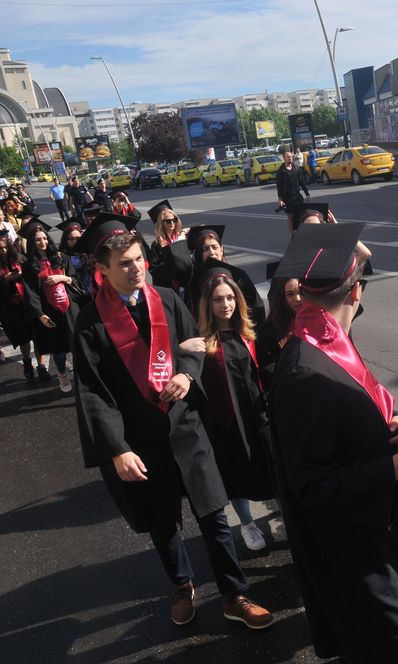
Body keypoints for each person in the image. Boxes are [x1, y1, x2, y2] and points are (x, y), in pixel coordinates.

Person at [72, 215, 274, 629]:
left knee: (214, 514)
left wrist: (186, 374)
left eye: (138, 259)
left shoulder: (165, 298)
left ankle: (234, 594)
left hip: (186, 427)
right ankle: (182, 585)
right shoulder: (90, 323)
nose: (136, 268)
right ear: (103, 269)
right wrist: (117, 449)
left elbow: (193, 346)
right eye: (124, 263)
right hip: (140, 438)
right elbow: (92, 392)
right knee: (162, 522)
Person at [268, 223, 398, 662]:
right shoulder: (305, 372)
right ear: (356, 292)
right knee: (394, 649)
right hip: (353, 549)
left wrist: (397, 422)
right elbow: (311, 485)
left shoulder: (327, 337)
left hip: (380, 524)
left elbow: (354, 412)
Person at [194, 260, 275, 553]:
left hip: (257, 416)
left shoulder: (250, 333)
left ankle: (286, 513)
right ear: (208, 303)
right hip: (225, 422)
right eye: (218, 299)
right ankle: (247, 523)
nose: (225, 304)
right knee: (235, 475)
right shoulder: (201, 342)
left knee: (271, 467)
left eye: (230, 298)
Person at [19, 217, 73, 392]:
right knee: (58, 349)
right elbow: (30, 291)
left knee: (76, 343)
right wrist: (40, 313)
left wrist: (61, 277)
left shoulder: (60, 257)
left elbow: (73, 279)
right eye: (38, 240)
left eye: (44, 238)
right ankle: (63, 375)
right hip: (50, 310)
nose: (42, 242)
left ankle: (82, 376)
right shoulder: (29, 266)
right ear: (32, 243)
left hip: (69, 308)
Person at [185, 224, 264, 327]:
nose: (212, 252)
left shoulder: (239, 276)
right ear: (199, 253)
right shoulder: (194, 281)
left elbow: (256, 308)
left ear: (221, 250)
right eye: (205, 249)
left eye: (215, 247)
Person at [256, 261, 302, 390]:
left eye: (301, 292)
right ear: (282, 298)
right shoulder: (268, 331)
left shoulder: (316, 321)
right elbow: (268, 370)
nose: (298, 298)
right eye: (290, 294)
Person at [0, 227, 35, 377]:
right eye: (0, 249)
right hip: (10, 306)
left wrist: (21, 273)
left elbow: (31, 273)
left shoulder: (18, 257)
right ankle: (27, 362)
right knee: (23, 337)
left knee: (37, 334)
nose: (4, 250)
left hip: (26, 301)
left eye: (5, 247)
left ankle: (40, 366)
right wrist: (4, 279)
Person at [147, 200, 192, 293]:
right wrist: (170, 262)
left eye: (174, 220)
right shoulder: (157, 244)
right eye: (168, 221)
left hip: (186, 281)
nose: (172, 223)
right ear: (161, 223)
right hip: (169, 285)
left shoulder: (183, 238)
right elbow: (154, 269)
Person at [276, 150, 310, 233]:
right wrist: (280, 199)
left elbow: (302, 182)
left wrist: (307, 194)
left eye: (291, 156)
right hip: (287, 198)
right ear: (284, 158)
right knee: (291, 217)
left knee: (303, 214)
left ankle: (303, 232)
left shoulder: (296, 168)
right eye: (288, 157)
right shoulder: (281, 171)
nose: (290, 158)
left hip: (297, 196)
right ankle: (293, 235)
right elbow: (279, 187)